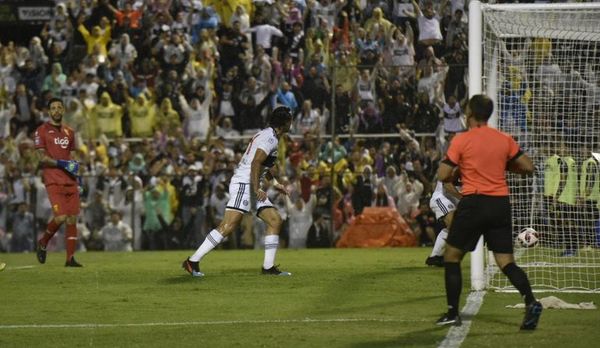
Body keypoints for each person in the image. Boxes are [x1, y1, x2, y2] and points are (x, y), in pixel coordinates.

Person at [435, 94, 542, 330]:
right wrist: (503, 165)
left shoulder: (462, 140)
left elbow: (443, 174)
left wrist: (459, 168)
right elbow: (528, 166)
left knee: (451, 256)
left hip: (474, 202)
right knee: (506, 262)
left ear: (470, 113)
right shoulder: (503, 139)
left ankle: (453, 312)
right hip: (500, 204)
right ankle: (531, 302)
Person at [182, 106, 294, 277]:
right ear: (284, 122)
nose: (291, 122)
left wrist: (275, 182)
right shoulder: (270, 138)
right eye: (290, 119)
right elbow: (256, 163)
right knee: (228, 226)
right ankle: (193, 261)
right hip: (244, 183)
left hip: (250, 183)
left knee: (274, 221)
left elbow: (262, 164)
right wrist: (257, 188)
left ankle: (268, 268)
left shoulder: (270, 135)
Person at [34, 97, 83, 267]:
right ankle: (43, 242)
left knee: (72, 219)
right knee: (61, 217)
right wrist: (61, 163)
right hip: (54, 180)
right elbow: (41, 158)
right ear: (49, 111)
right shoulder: (41, 131)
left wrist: (79, 178)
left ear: (63, 110)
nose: (56, 110)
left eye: (59, 107)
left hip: (70, 181)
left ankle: (70, 259)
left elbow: (73, 158)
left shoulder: (70, 132)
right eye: (53, 108)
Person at [425, 179, 461, 267]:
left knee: (456, 227)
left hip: (455, 199)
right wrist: (463, 198)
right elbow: (447, 185)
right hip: (441, 197)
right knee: (453, 224)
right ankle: (437, 257)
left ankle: (435, 257)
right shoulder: (455, 167)